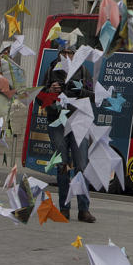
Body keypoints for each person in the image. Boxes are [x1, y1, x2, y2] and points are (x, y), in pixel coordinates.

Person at [42, 45, 96, 223]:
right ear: (59, 55)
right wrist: (50, 91)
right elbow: (39, 97)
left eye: (70, 53)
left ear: (75, 56)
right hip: (57, 122)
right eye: (63, 53)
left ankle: (84, 209)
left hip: (79, 121)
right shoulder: (50, 71)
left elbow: (93, 95)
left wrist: (78, 90)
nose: (66, 56)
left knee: (81, 165)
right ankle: (64, 208)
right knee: (62, 164)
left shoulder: (83, 71)